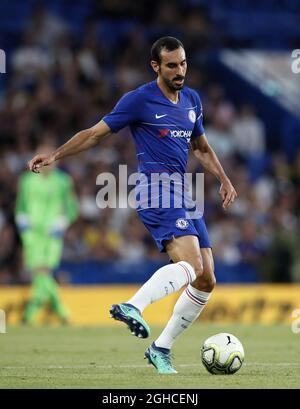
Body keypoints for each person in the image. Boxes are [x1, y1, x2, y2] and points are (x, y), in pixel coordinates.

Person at [28, 37, 237, 373]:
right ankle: (133, 305)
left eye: (183, 63)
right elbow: (95, 134)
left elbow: (200, 147)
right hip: (155, 189)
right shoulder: (139, 99)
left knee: (207, 279)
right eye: (171, 65)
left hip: (184, 192)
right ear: (156, 66)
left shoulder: (192, 100)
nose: (179, 71)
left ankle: (160, 349)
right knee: (193, 266)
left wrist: (224, 179)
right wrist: (55, 154)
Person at [16, 144, 79, 324]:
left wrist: (62, 222)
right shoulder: (26, 181)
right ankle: (61, 312)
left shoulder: (63, 182)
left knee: (43, 272)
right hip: (32, 234)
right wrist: (24, 227)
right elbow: (20, 206)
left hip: (53, 234)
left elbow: (72, 208)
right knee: (41, 273)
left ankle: (31, 313)